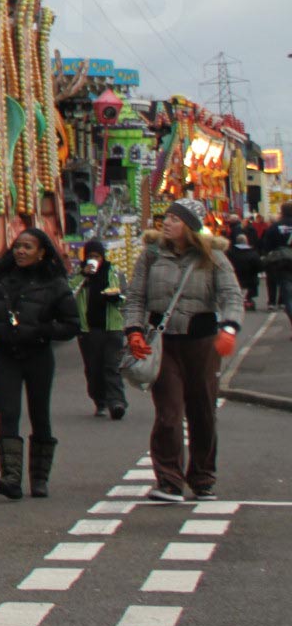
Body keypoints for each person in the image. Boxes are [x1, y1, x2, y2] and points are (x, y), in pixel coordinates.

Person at [125, 199, 244, 503]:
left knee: (203, 412)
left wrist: (229, 327)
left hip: (202, 343)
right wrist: (134, 330)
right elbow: (136, 296)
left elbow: (231, 295)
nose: (166, 223)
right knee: (169, 413)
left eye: (175, 219)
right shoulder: (151, 255)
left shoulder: (212, 256)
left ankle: (203, 478)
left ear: (190, 226)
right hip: (164, 344)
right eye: (166, 217)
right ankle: (169, 481)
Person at [0, 227, 81, 498]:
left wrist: (42, 330)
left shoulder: (54, 283)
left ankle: (39, 479)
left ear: (41, 252)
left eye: (28, 247)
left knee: (40, 414)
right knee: (8, 413)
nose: (20, 251)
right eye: (18, 246)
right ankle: (11, 477)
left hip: (39, 355)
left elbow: (71, 324)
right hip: (6, 354)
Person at [74, 236, 126, 420]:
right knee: (94, 368)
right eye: (90, 256)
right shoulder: (80, 275)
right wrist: (83, 275)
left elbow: (124, 295)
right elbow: (68, 292)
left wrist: (116, 297)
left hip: (113, 327)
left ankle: (117, 402)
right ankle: (100, 401)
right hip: (89, 329)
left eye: (97, 256)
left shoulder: (114, 272)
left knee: (112, 366)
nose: (94, 260)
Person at [257, 204, 292, 310]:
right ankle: (283, 302)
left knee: (274, 280)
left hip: (278, 259)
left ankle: (272, 302)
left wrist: (265, 254)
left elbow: (267, 243)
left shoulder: (275, 226)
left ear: (282, 212)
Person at [227, 222, 262, 308]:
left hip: (236, 278)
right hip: (251, 280)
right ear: (247, 241)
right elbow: (259, 267)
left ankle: (243, 299)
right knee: (253, 282)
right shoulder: (253, 253)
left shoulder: (231, 253)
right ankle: (248, 299)